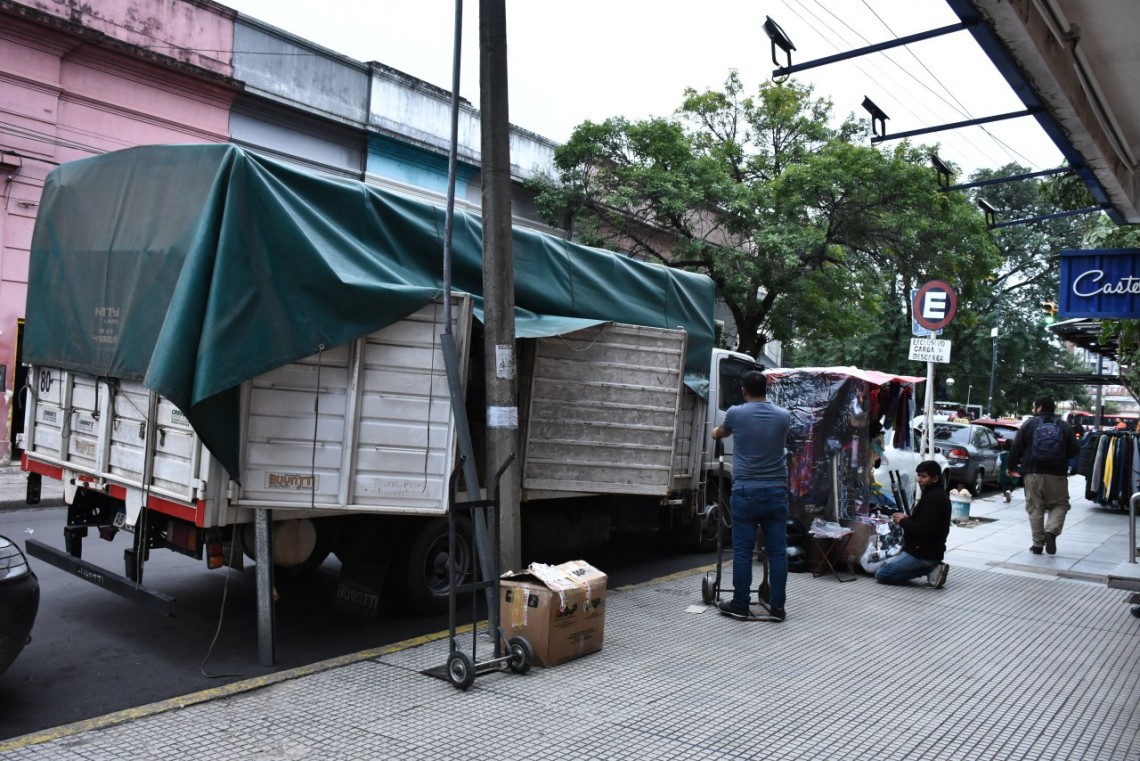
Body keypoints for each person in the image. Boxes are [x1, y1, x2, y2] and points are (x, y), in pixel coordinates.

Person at [711, 370, 792, 622]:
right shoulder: (783, 416)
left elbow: (722, 432)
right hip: (776, 491)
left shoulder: (735, 413)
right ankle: (777, 608)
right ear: (766, 389)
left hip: (746, 491)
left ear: (743, 390)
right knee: (777, 552)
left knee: (743, 552)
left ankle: (740, 604)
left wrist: (716, 433)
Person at [1007, 395, 1079, 555]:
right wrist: (1060, 457)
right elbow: (1075, 450)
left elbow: (1016, 448)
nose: (1033, 409)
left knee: (1035, 508)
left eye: (1034, 406)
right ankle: (1051, 531)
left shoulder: (1029, 424)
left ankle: (1038, 544)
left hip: (1032, 472)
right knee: (1060, 504)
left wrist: (1011, 467)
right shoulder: (1064, 426)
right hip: (1057, 473)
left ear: (1039, 408)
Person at [874, 460, 952, 588]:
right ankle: (929, 566)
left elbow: (924, 529)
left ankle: (930, 569)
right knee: (882, 564)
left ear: (935, 478)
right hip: (926, 550)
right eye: (919, 476)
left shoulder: (933, 498)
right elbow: (925, 522)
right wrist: (908, 519)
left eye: (924, 476)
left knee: (882, 574)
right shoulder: (934, 494)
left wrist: (903, 521)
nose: (919, 480)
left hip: (923, 553)